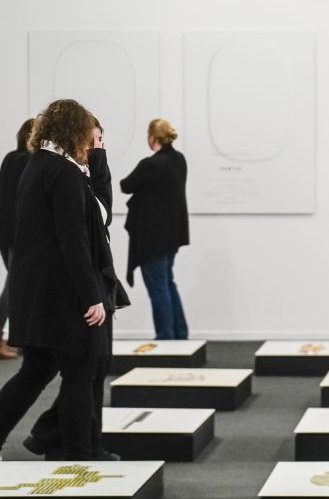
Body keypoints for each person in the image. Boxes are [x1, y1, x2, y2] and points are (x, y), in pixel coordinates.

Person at [0, 99, 119, 461]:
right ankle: (81, 452)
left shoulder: (37, 166)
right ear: (74, 131)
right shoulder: (64, 173)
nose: (91, 144)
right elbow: (74, 241)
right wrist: (91, 296)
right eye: (88, 135)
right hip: (63, 293)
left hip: (37, 290)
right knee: (81, 371)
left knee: (35, 371)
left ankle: (69, 446)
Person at [121, 118, 189, 340]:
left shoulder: (150, 165)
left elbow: (126, 185)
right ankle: (179, 334)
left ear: (152, 138)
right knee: (168, 283)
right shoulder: (179, 160)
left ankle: (165, 338)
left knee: (158, 288)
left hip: (151, 239)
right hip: (172, 236)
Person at [0, 118, 36, 359]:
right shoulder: (27, 161)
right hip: (21, 234)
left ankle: (22, 338)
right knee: (16, 287)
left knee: (20, 287)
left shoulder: (11, 159)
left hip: (9, 234)